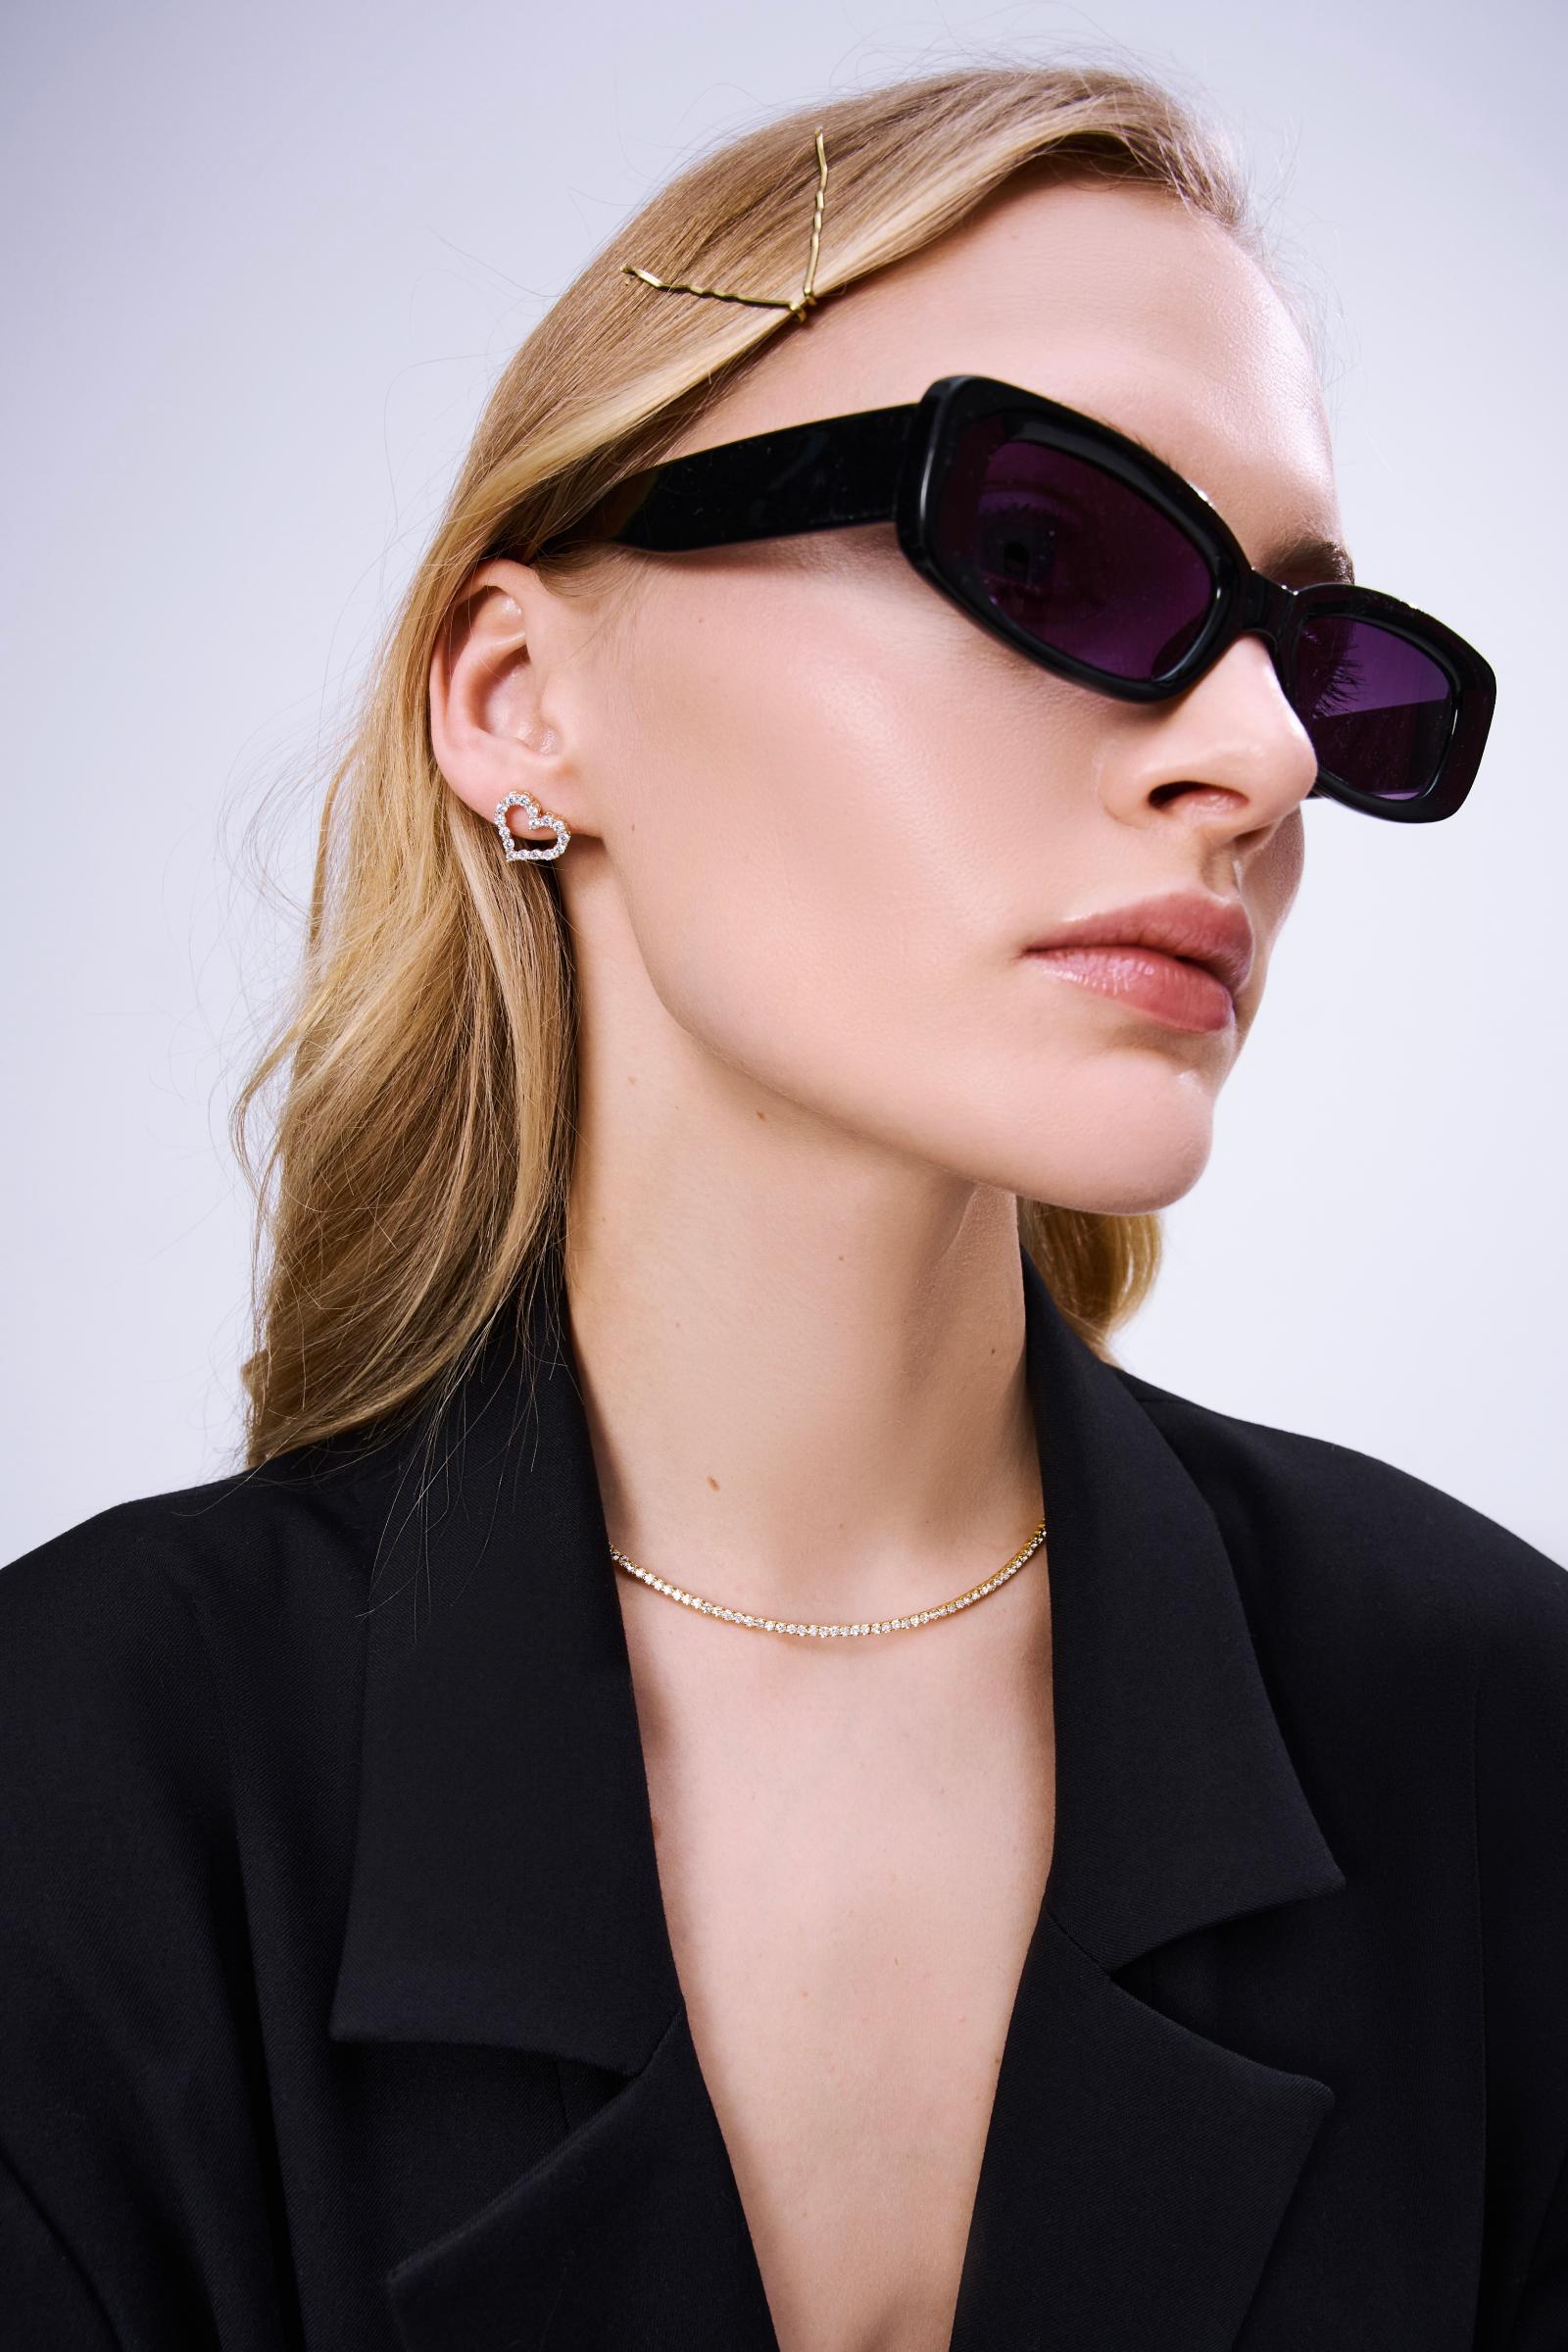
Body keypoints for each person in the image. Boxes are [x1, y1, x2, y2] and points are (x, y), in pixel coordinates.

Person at [1, 55, 1562, 2352]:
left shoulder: (1498, 1744)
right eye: (1043, 555)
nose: (1258, 760)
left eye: (1309, 654)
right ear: (518, 701)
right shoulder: (79, 1786)